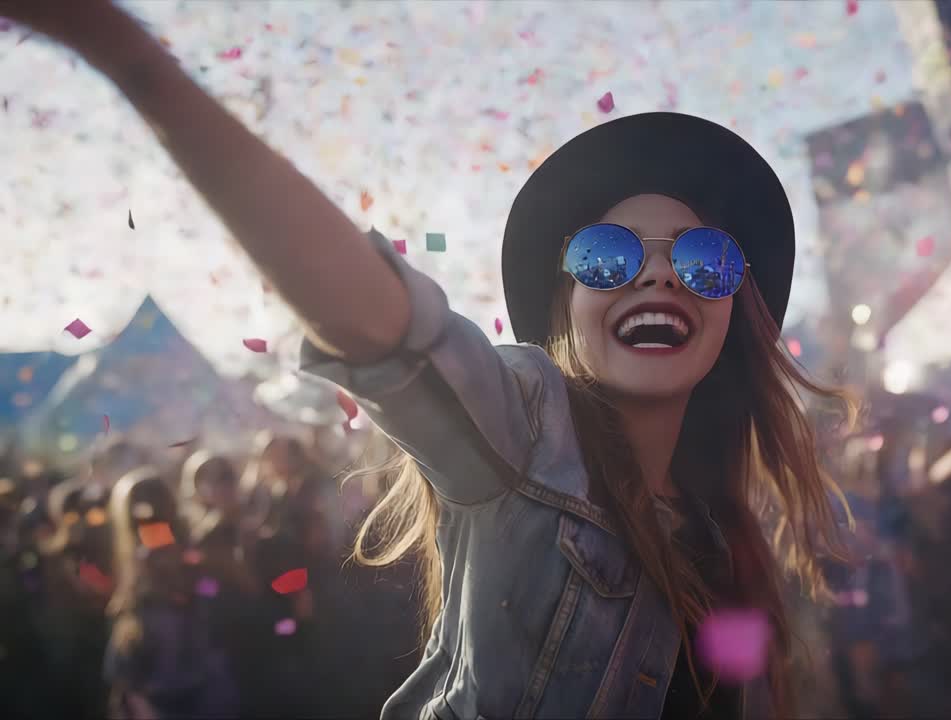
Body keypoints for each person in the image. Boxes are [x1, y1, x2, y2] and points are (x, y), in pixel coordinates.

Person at [3, 4, 856, 718]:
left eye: (703, 258)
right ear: (565, 308)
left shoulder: (720, 531)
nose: (661, 271)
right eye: (608, 255)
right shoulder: (527, 429)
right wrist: (129, 58)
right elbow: (385, 328)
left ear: (733, 307)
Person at [103, 467, 239, 719]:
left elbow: (211, 591)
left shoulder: (190, 552)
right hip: (158, 689)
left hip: (201, 682)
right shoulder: (138, 568)